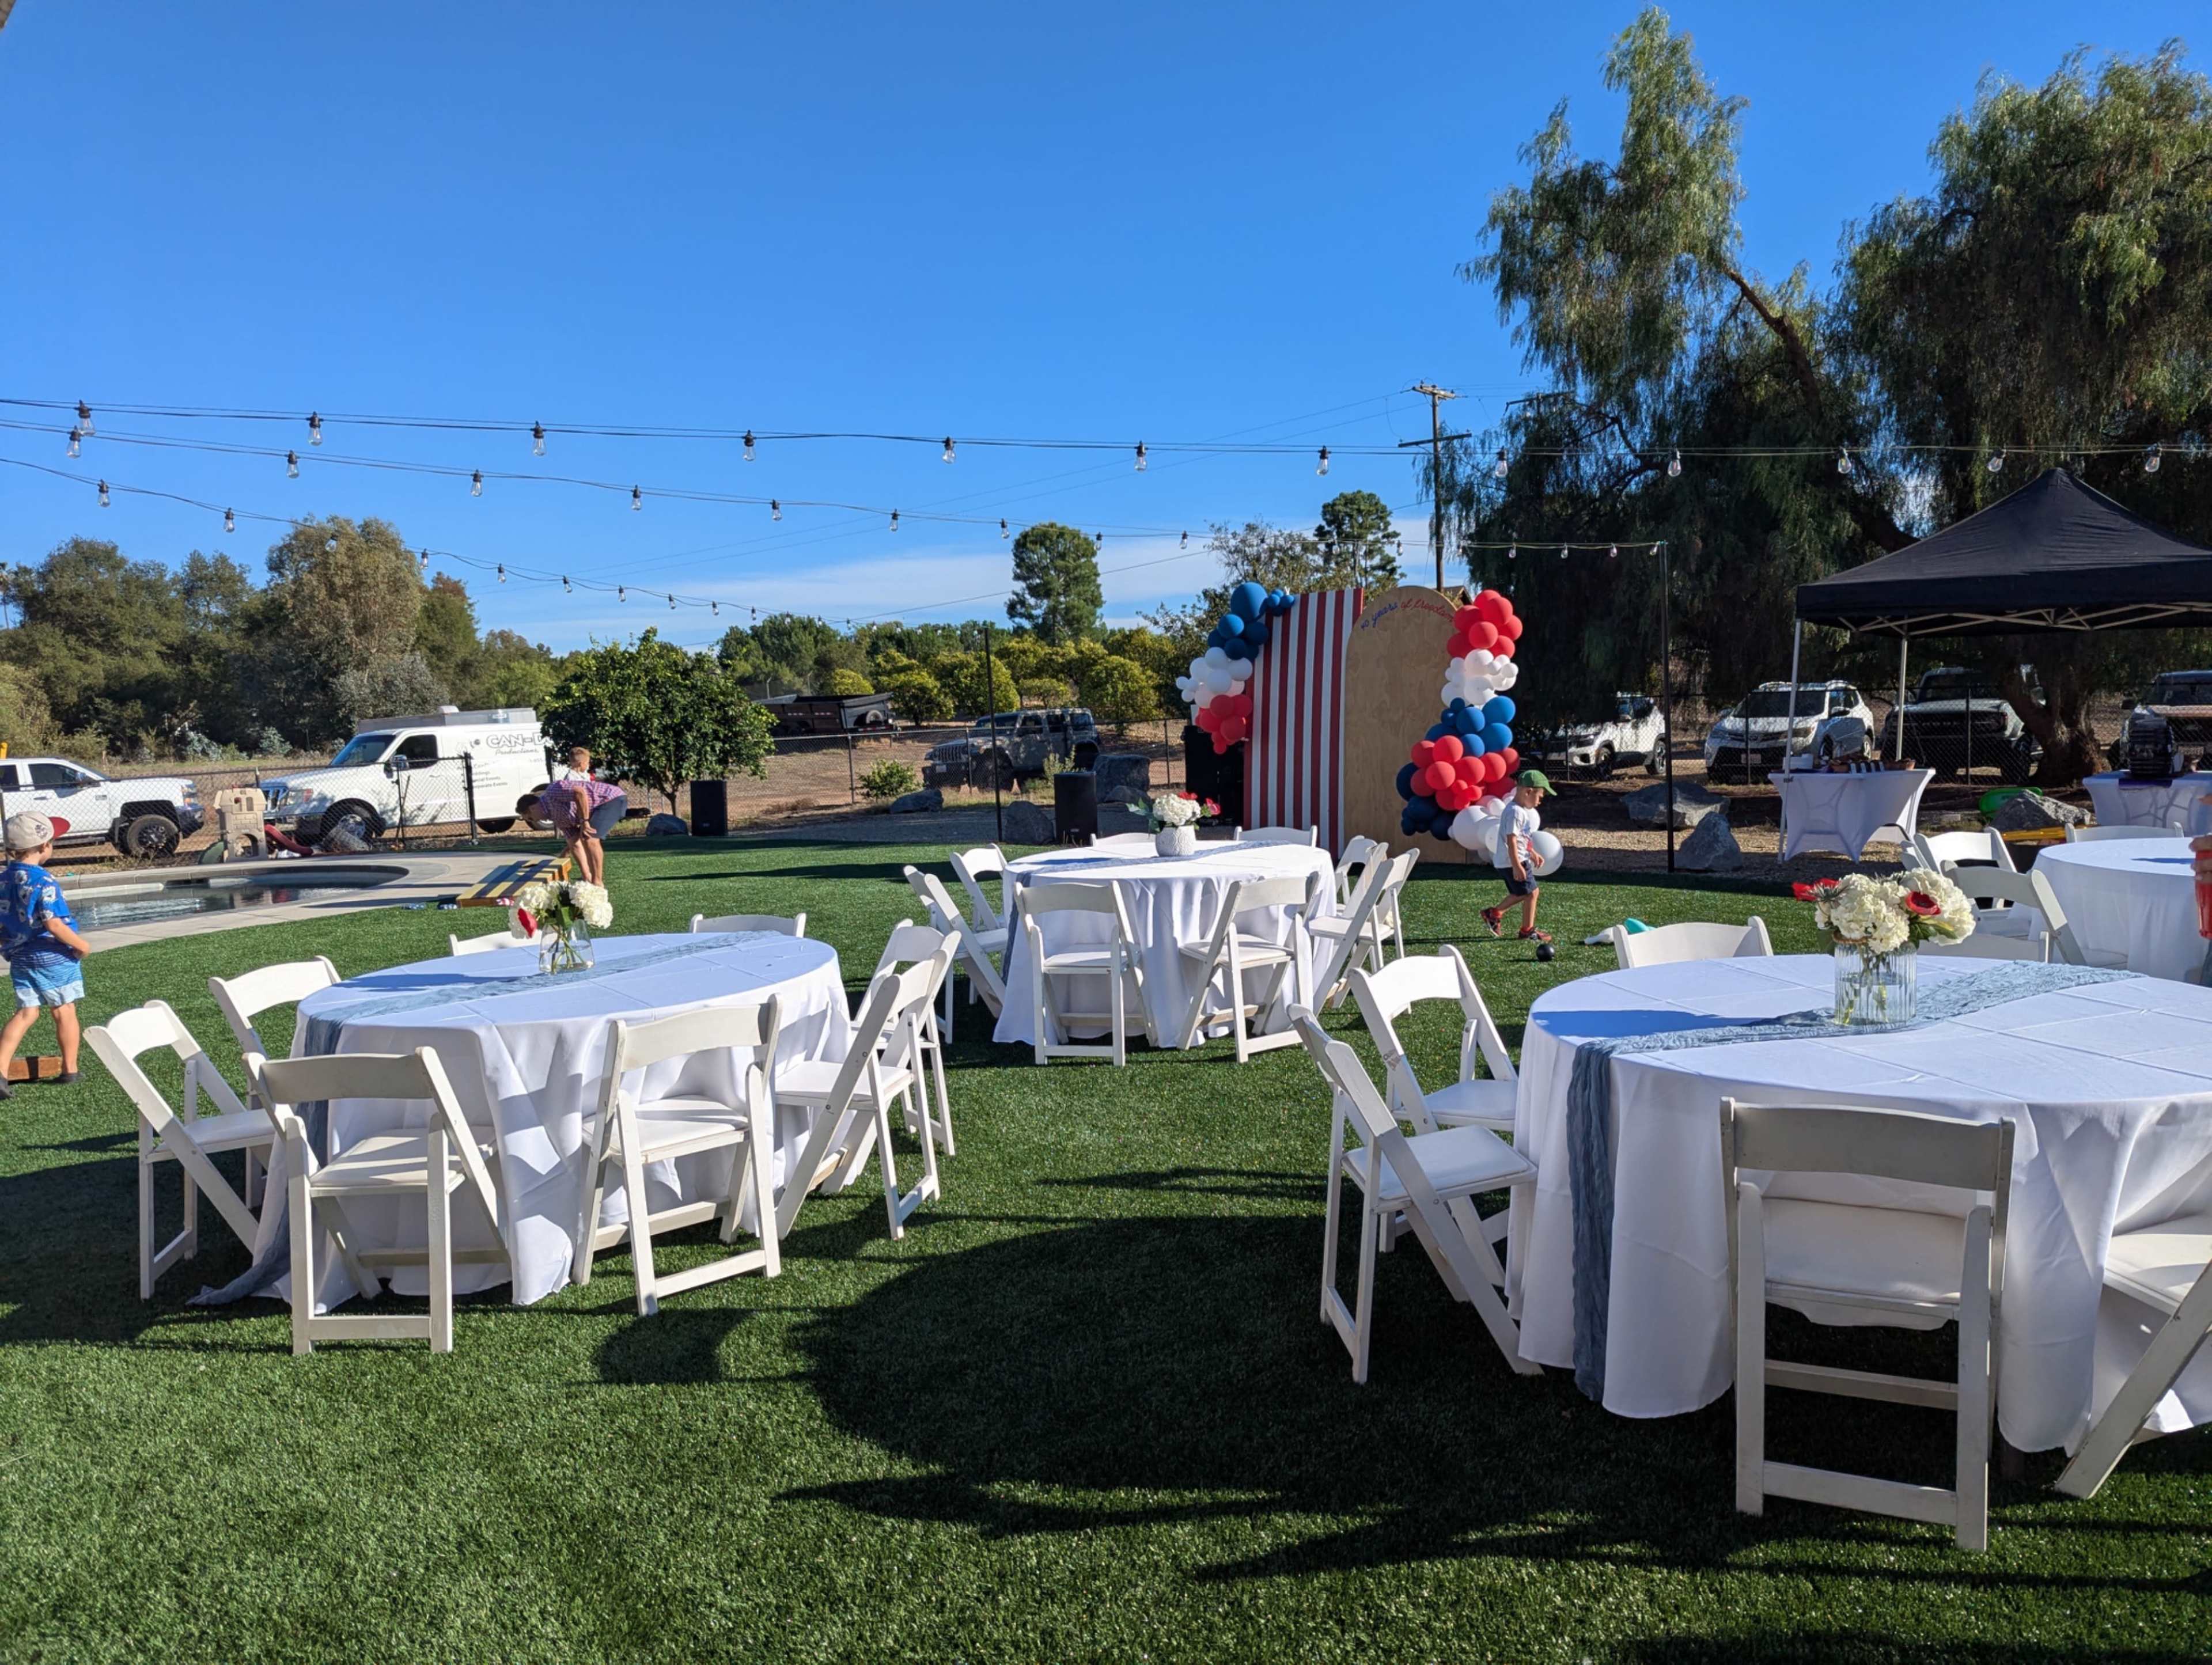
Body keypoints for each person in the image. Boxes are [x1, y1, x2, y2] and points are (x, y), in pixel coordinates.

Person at [0, 811, 90, 1098]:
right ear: (44, 847)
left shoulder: (3, 880)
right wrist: (82, 946)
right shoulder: (45, 882)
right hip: (53, 955)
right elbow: (53, 923)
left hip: (21, 957)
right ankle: (70, 1070)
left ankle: (0, 1070)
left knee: (26, 1012)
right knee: (64, 1010)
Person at [1481, 769, 1556, 947]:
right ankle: (1525, 930)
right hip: (1511, 861)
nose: (1540, 802)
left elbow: (1523, 839)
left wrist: (1532, 853)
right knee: (1531, 892)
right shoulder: (1515, 812)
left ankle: (1496, 914)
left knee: (1523, 892)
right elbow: (1512, 840)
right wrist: (1516, 864)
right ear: (1528, 791)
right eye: (1540, 797)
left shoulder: (1519, 811)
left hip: (1515, 860)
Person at [521, 764, 626, 886]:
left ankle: (598, 882)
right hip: (594, 809)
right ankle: (589, 879)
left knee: (590, 837)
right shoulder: (556, 818)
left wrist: (585, 821)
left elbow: (580, 793)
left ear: (532, 808)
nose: (532, 820)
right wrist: (586, 875)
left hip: (610, 798)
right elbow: (574, 844)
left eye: (529, 817)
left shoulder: (553, 792)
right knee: (584, 838)